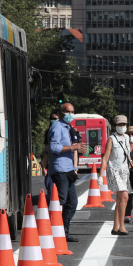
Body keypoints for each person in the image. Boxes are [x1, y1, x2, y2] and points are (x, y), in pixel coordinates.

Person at [48, 103, 88, 241]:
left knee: (72, 202)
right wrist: (73, 146)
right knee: (61, 200)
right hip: (59, 169)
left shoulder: (68, 127)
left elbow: (74, 147)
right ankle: (51, 230)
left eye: (72, 111)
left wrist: (75, 165)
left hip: (68, 168)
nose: (70, 114)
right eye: (67, 111)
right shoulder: (57, 127)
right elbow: (53, 147)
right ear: (61, 112)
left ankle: (63, 232)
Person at [99, 114, 133, 235]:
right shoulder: (111, 139)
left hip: (125, 170)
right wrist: (100, 175)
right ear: (115, 125)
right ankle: (122, 226)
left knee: (121, 199)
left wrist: (131, 162)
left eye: (124, 124)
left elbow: (127, 154)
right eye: (119, 124)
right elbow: (105, 158)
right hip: (114, 170)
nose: (122, 127)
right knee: (124, 197)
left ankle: (115, 227)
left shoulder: (127, 139)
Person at [42, 108, 61, 195]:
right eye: (52, 118)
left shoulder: (66, 131)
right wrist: (44, 167)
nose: (53, 121)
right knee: (50, 188)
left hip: (62, 165)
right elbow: (46, 151)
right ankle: (52, 206)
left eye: (55, 119)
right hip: (51, 165)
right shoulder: (48, 132)